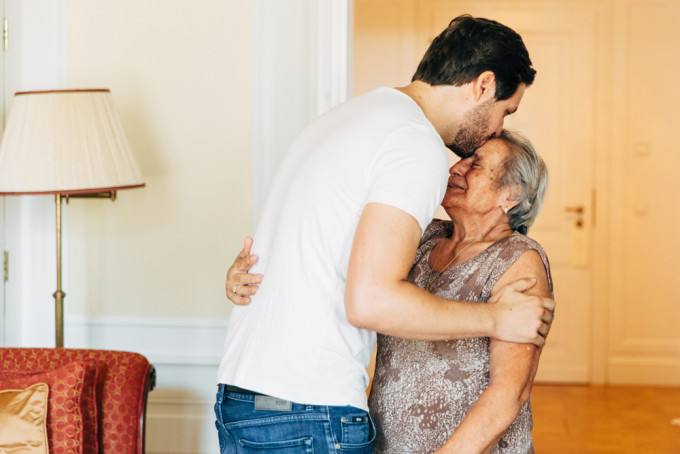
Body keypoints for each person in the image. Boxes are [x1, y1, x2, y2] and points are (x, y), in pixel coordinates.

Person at [216, 15, 555, 453]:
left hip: (246, 398)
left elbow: (312, 243)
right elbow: (371, 301)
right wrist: (497, 318)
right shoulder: (414, 145)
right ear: (483, 85)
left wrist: (239, 275)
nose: (495, 128)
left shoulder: (345, 119)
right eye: (505, 110)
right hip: (307, 410)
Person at [368, 129, 552, 453]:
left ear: (511, 194)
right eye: (460, 161)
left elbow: (510, 391)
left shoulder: (519, 261)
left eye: (475, 165)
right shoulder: (426, 237)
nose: (455, 169)